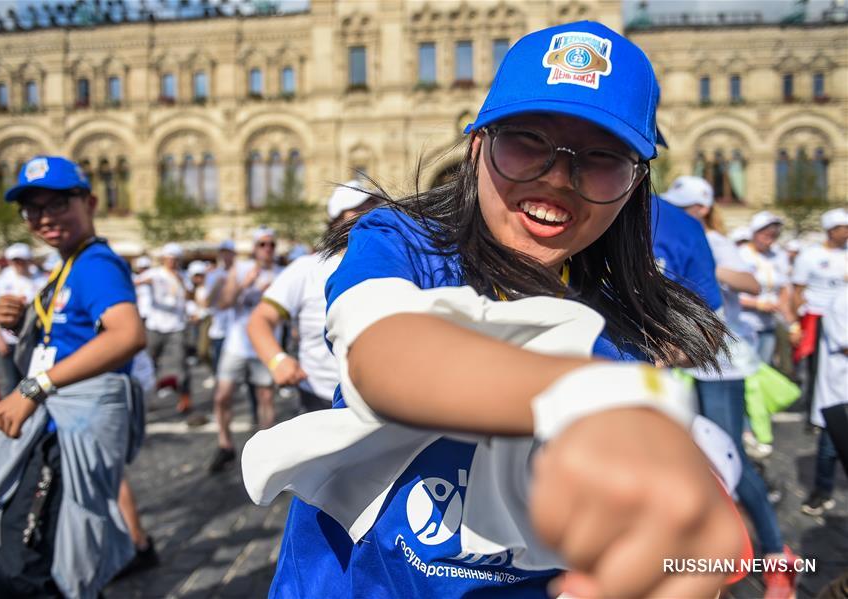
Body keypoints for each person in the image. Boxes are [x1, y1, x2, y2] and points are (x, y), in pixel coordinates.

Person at [242, 22, 746, 598]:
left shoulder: (628, 334)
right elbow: (384, 355)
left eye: (601, 158)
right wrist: (604, 400)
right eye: (526, 141)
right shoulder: (405, 246)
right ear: (477, 145)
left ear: (635, 185)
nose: (558, 178)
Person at [0, 155, 146, 597]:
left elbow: (126, 334)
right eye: (33, 208)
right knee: (53, 558)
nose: (45, 217)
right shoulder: (67, 264)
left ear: (89, 202)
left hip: (62, 436)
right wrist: (21, 319)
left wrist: (35, 387)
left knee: (27, 568)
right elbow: (69, 335)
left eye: (58, 203)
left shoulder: (95, 264)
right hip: (52, 431)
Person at [661, 175, 800, 597]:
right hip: (689, 365)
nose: (673, 216)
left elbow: (755, 284)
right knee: (699, 455)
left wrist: (707, 266)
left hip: (723, 365)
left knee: (729, 456)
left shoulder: (716, 242)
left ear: (702, 209)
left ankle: (777, 555)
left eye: (684, 208)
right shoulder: (669, 235)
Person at [248, 183, 379, 414]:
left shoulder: (398, 263)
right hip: (321, 398)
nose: (370, 217)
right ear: (336, 221)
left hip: (382, 399)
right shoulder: (308, 268)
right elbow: (260, 320)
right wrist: (277, 360)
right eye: (358, 210)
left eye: (374, 208)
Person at [209, 227, 281, 473]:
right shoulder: (239, 270)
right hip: (237, 344)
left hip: (265, 345)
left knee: (266, 398)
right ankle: (225, 444)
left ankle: (265, 455)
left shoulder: (282, 274)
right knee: (222, 397)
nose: (267, 249)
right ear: (254, 248)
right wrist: (244, 284)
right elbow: (223, 303)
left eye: (271, 244)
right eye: (262, 244)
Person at [791, 207, 848, 414]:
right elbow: (798, 290)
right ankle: (815, 414)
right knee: (816, 368)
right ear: (830, 230)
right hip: (818, 317)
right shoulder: (810, 255)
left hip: (845, 318)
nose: (846, 232)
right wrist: (796, 323)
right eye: (842, 228)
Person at [801, 283, 848, 516]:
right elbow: (845, 344)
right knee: (831, 446)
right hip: (840, 390)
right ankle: (822, 490)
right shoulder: (841, 300)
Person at [135, 242, 193, 414]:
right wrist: (145, 282)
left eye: (175, 259)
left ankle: (185, 397)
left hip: (176, 326)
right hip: (155, 325)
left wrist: (180, 280)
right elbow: (137, 282)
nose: (172, 262)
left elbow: (191, 295)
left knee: (181, 363)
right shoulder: (154, 273)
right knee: (149, 363)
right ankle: (148, 398)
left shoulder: (183, 276)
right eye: (169, 259)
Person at [0, 243, 48, 396]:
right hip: (9, 342)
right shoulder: (4, 278)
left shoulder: (40, 279)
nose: (18, 264)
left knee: (33, 383)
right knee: (8, 385)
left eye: (21, 260)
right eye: (14, 261)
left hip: (31, 341)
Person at [738, 211, 797, 367]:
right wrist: (758, 304)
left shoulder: (778, 255)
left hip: (769, 323)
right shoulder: (741, 254)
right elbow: (728, 293)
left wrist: (792, 323)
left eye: (774, 236)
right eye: (766, 235)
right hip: (745, 323)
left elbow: (785, 288)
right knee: (745, 367)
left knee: (764, 369)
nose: (770, 241)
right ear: (754, 233)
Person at [204, 240, 237, 383]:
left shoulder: (242, 272)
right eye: (223, 252)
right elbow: (208, 302)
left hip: (238, 327)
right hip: (219, 326)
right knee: (218, 357)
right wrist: (218, 285)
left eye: (228, 252)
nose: (225, 255)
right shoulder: (214, 275)